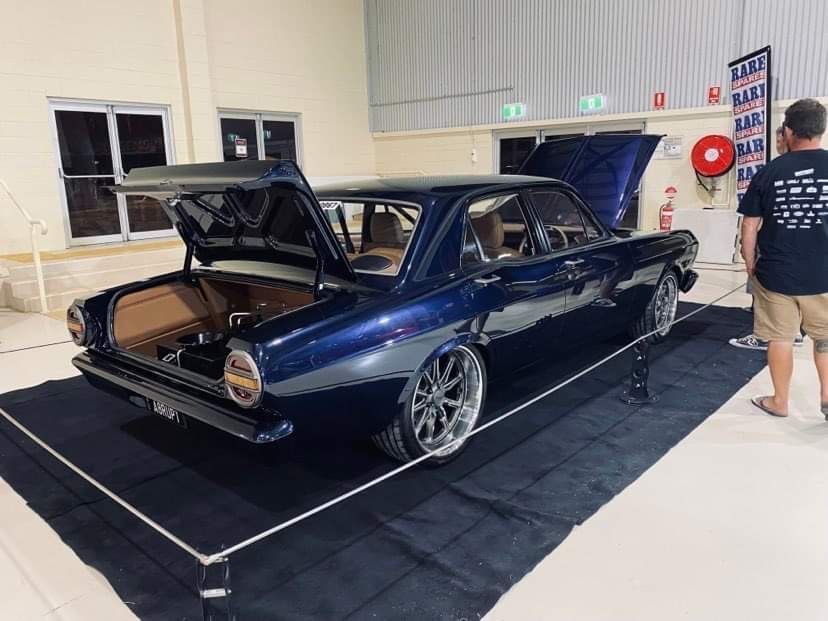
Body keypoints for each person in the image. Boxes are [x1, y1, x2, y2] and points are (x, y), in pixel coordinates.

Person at [738, 98, 828, 418]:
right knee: (825, 337)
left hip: (776, 273)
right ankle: (827, 398)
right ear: (821, 129)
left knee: (780, 338)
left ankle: (779, 402)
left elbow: (749, 226)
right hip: (824, 273)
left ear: (788, 130)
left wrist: (750, 263)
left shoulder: (769, 172)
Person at [730, 125, 805, 350]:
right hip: (802, 248)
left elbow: (751, 221)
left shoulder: (772, 171)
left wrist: (749, 256)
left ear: (788, 137)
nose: (778, 144)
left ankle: (764, 336)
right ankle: (795, 332)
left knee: (768, 290)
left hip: (774, 245)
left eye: (780, 140)